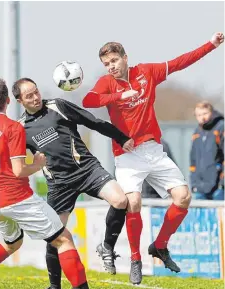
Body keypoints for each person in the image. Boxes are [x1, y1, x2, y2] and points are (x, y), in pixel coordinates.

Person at [82, 32, 224, 284]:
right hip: (126, 154)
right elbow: (89, 100)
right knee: (133, 201)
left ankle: (159, 245)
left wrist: (211, 45)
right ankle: (136, 259)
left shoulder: (147, 72)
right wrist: (118, 96)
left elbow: (182, 61)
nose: (111, 67)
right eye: (106, 64)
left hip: (153, 150)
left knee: (183, 197)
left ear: (125, 58)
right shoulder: (107, 83)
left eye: (114, 60)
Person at [12, 78, 134, 289]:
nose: (35, 97)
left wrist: (121, 138)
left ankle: (107, 246)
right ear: (19, 100)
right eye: (29, 95)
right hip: (59, 184)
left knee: (121, 200)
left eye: (36, 92)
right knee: (55, 236)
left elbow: (92, 121)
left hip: (87, 170)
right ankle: (54, 285)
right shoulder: (21, 128)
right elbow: (14, 163)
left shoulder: (58, 106)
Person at [0, 78, 90, 289]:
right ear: (9, 101)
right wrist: (38, 164)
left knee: (12, 242)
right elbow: (19, 171)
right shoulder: (13, 127)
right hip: (16, 198)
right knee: (63, 239)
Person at [190, 101, 224, 200]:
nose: (202, 117)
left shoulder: (221, 127)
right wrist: (194, 183)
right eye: (199, 115)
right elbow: (193, 160)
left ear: (212, 113)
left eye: (205, 113)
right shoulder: (197, 132)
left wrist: (222, 183)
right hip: (200, 188)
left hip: (219, 188)